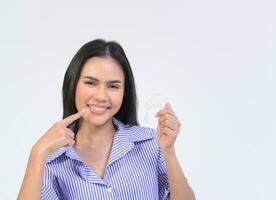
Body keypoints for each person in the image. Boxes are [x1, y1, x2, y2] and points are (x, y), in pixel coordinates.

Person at [17, 39, 195, 200]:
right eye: (90, 83)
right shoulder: (52, 160)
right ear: (73, 84)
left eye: (113, 86)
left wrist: (169, 151)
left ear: (124, 92)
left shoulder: (150, 143)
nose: (101, 96)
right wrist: (37, 154)